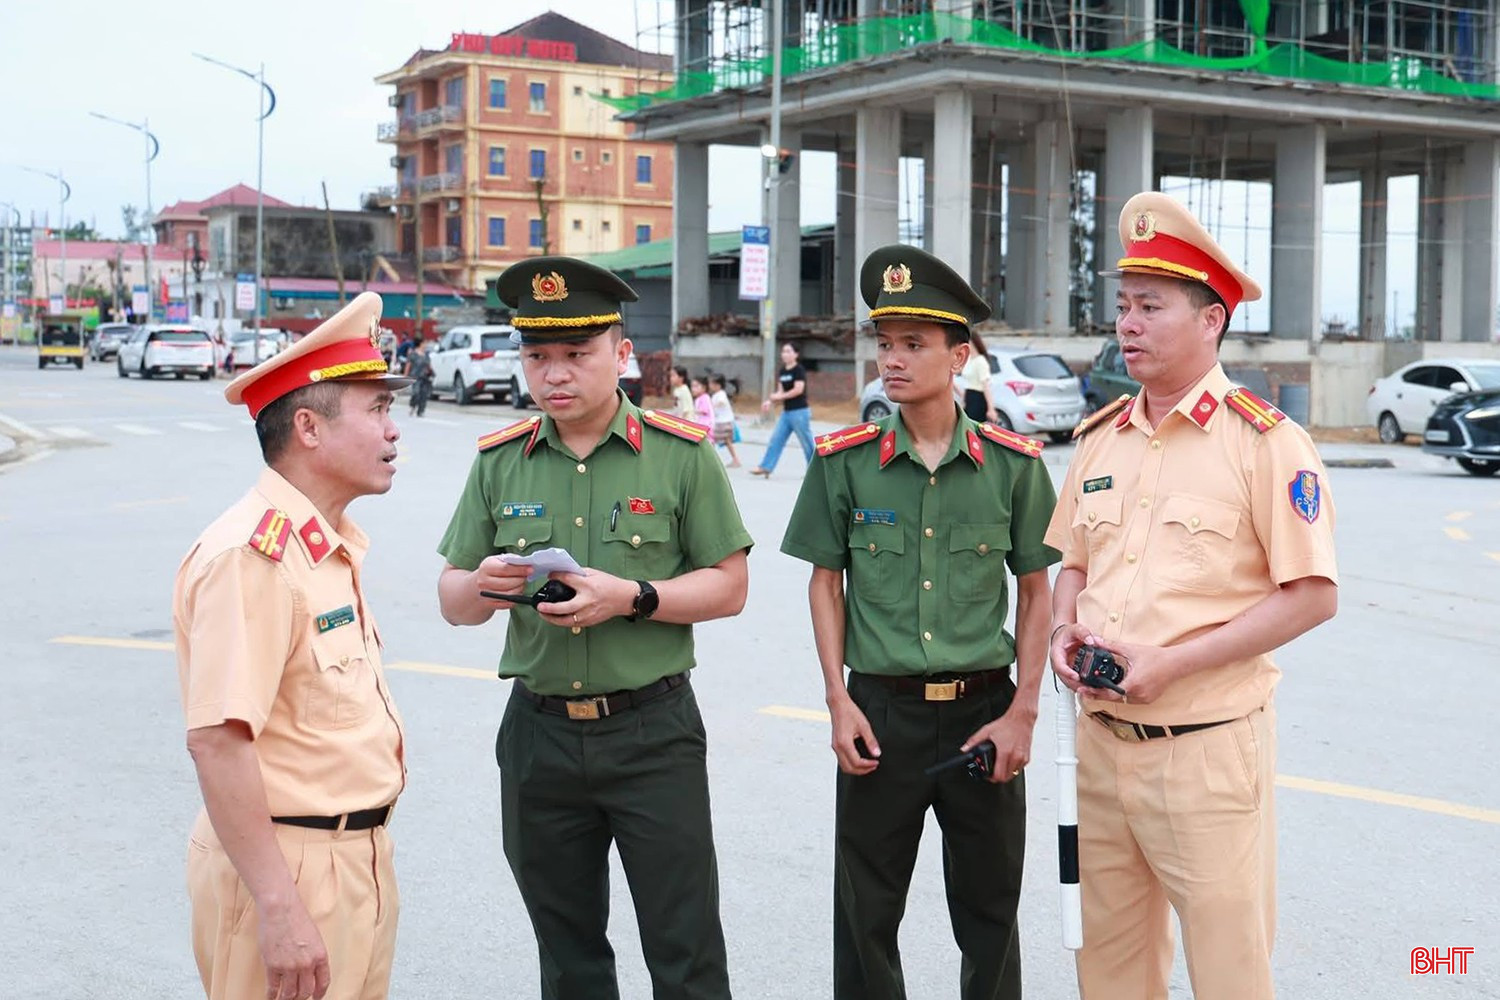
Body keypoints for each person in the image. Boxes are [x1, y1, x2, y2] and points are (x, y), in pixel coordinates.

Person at [1045, 192, 1339, 1000]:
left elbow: (1312, 595)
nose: (1127, 325)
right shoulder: (1100, 438)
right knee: (1107, 968)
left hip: (1204, 751)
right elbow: (1072, 562)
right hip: (1100, 746)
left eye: (1151, 306)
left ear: (1211, 319)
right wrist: (1064, 630)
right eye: (1122, 307)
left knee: (1229, 969)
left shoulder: (1266, 444)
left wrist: (1171, 663)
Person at [435, 256, 753, 1000]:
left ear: (621, 353)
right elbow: (452, 597)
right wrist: (479, 586)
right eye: (538, 356)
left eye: (577, 355)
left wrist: (632, 596)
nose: (555, 375)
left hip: (651, 734)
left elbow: (731, 585)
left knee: (685, 948)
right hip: (539, 737)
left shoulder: (682, 455)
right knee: (568, 953)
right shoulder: (500, 462)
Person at [780, 244, 1059, 1000]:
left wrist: (1024, 712)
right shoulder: (845, 463)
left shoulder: (1014, 467)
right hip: (881, 713)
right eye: (885, 344)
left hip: (984, 713)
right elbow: (824, 582)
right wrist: (839, 702)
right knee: (865, 912)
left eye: (914, 345)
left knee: (990, 911)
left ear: (959, 355)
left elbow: (1037, 592)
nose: (891, 362)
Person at [173, 292, 413, 1000]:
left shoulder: (322, 546)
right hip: (288, 868)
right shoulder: (255, 557)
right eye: (375, 409)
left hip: (354, 860)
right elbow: (219, 741)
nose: (394, 431)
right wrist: (278, 907)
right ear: (308, 427)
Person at [749, 341, 814, 477]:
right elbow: (780, 392)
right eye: (783, 351)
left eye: (788, 351)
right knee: (776, 439)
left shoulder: (799, 370)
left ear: (796, 354)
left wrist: (779, 396)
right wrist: (770, 401)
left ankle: (815, 470)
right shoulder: (783, 371)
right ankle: (766, 467)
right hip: (787, 413)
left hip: (800, 412)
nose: (785, 354)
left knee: (807, 443)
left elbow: (798, 390)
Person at [957, 329, 998, 424]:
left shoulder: (980, 361)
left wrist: (991, 409)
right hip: (969, 397)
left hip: (978, 398)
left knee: (974, 428)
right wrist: (964, 397)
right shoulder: (969, 360)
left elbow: (986, 386)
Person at [708, 373, 741, 468]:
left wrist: (713, 406)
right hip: (721, 422)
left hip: (723, 422)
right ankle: (734, 459)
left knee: (713, 439)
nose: (709, 386)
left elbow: (721, 402)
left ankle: (712, 460)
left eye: (711, 384)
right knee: (724, 441)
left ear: (717, 385)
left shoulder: (720, 394)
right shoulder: (716, 394)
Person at [404, 337, 434, 417]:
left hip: (425, 378)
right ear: (420, 344)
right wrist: (405, 377)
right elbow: (408, 366)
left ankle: (421, 411)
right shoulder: (413, 354)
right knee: (416, 393)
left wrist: (431, 372)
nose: (426, 345)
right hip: (415, 377)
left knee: (424, 395)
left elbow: (429, 366)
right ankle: (413, 405)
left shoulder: (426, 355)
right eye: (425, 343)